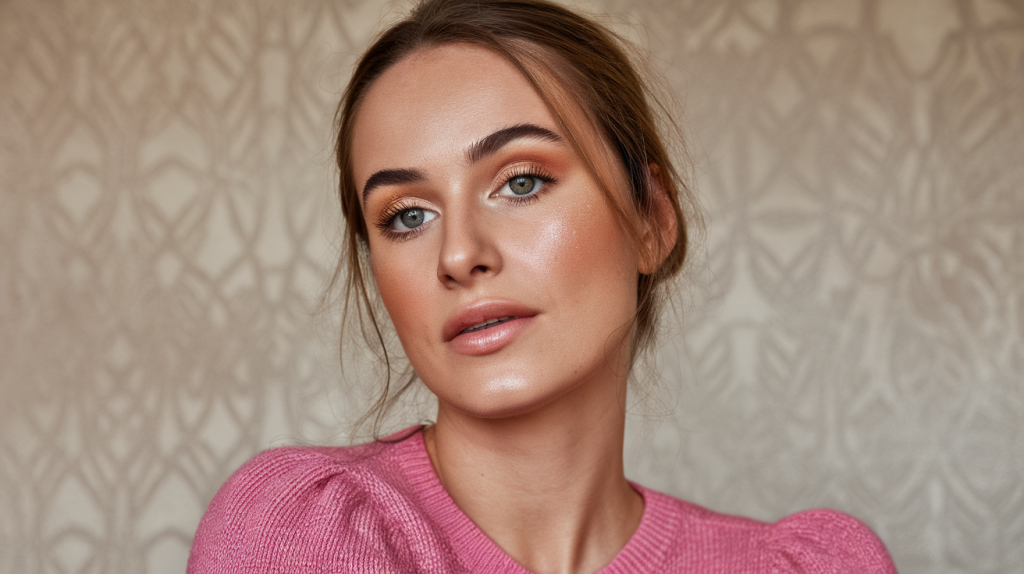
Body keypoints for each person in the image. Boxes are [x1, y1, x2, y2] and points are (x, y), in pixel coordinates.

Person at [187, 0, 898, 572]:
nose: (460, 254)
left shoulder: (808, 565)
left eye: (521, 182)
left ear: (651, 218)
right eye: (407, 216)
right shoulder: (305, 531)